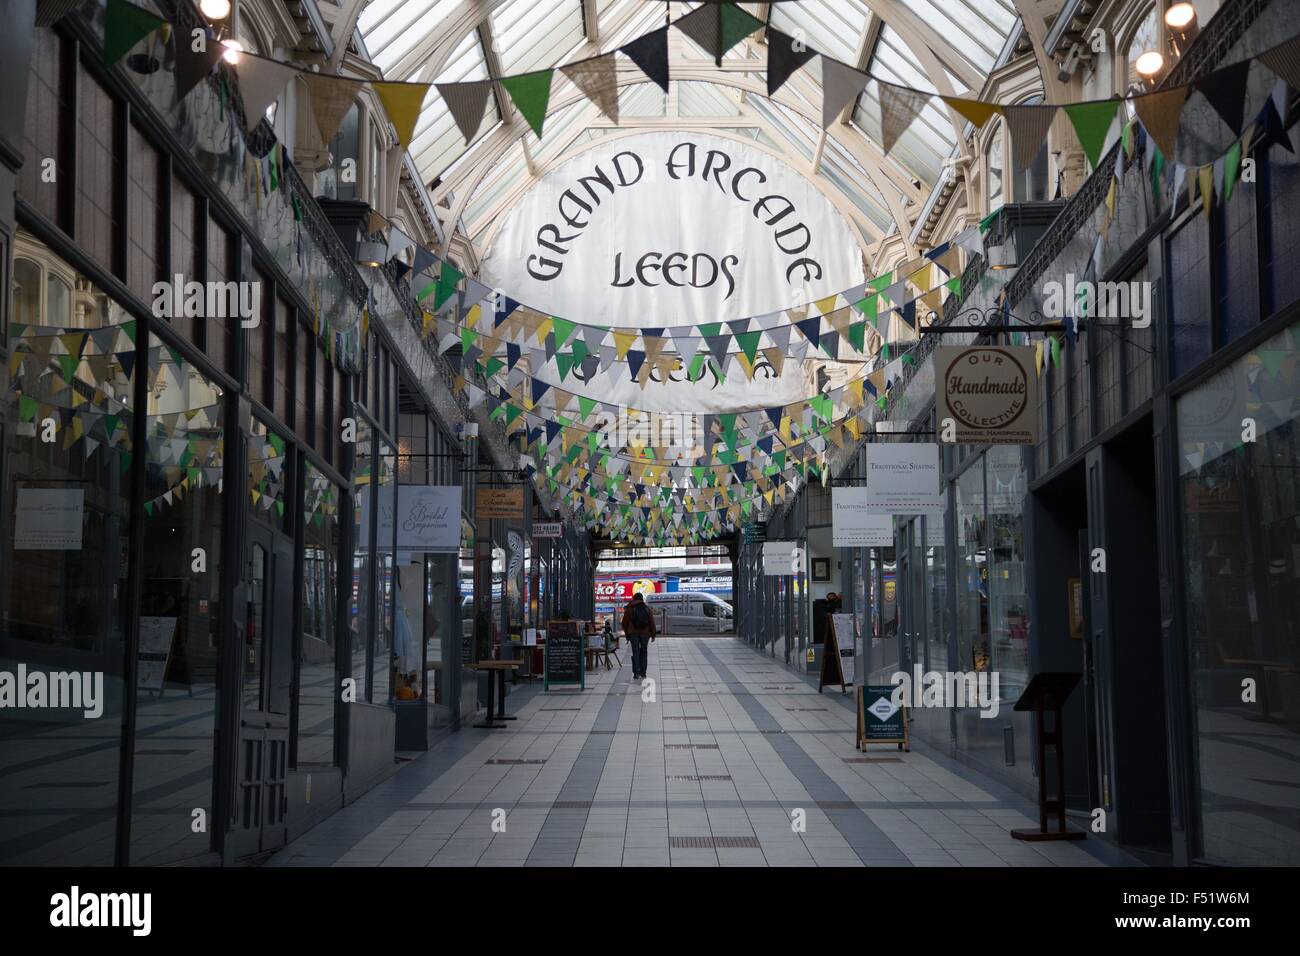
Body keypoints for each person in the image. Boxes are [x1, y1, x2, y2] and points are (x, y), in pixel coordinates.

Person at [621, 593, 656, 680]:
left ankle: (636, 673)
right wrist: (653, 634)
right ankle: (643, 673)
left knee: (635, 652)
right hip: (645, 633)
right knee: (644, 652)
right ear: (642, 599)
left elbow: (624, 622)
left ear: (634, 598)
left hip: (633, 633)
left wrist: (627, 634)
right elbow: (651, 622)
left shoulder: (629, 609)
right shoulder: (647, 608)